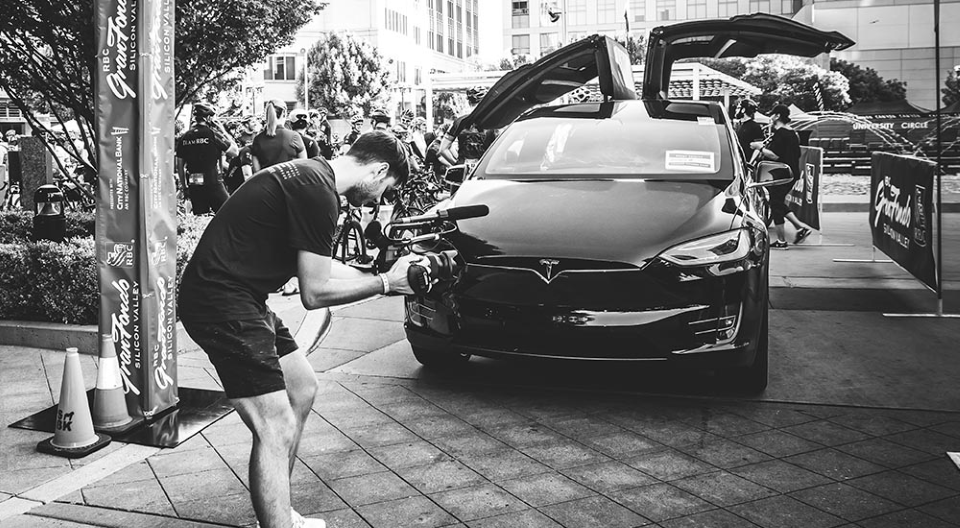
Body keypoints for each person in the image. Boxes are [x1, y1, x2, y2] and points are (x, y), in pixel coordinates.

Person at [178, 131, 421, 528]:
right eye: (385, 189)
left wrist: (383, 277)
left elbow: (321, 268)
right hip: (221, 300)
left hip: (241, 296)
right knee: (275, 423)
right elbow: (315, 292)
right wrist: (385, 285)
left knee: (302, 388)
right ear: (378, 170)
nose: (379, 201)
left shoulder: (312, 178)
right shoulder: (318, 193)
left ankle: (278, 512)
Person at [750, 104, 815, 249]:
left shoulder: (781, 134)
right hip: (791, 173)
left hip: (782, 174)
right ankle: (800, 228)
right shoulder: (792, 133)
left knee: (776, 205)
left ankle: (781, 241)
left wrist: (759, 147)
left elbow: (774, 155)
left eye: (772, 115)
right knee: (778, 202)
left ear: (777, 116)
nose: (770, 118)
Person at [175, 103, 238, 214]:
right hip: (213, 182)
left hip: (194, 183)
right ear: (209, 118)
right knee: (229, 213)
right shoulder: (213, 134)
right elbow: (235, 152)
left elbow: (179, 166)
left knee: (201, 218)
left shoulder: (184, 137)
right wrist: (222, 129)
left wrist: (184, 187)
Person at [439, 87, 497, 167]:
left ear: (469, 103)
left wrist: (457, 165)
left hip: (465, 168)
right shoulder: (494, 122)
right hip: (484, 168)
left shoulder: (459, 122)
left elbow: (442, 149)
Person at [251, 100, 306, 172]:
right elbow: (304, 165)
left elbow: (256, 171)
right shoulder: (294, 136)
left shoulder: (258, 139)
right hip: (289, 182)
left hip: (267, 181)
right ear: (284, 113)